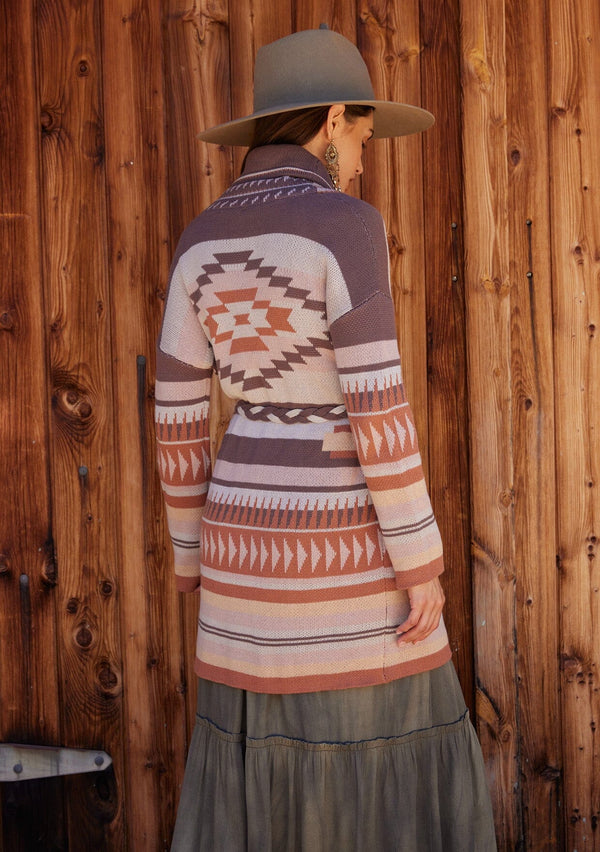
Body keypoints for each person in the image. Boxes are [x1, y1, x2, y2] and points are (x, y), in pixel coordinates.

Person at [155, 25, 496, 852]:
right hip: (340, 553)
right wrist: (422, 567)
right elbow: (378, 407)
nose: (365, 157)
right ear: (333, 118)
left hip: (240, 554)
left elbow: (174, 410)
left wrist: (192, 556)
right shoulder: (345, 225)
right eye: (365, 135)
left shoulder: (199, 239)